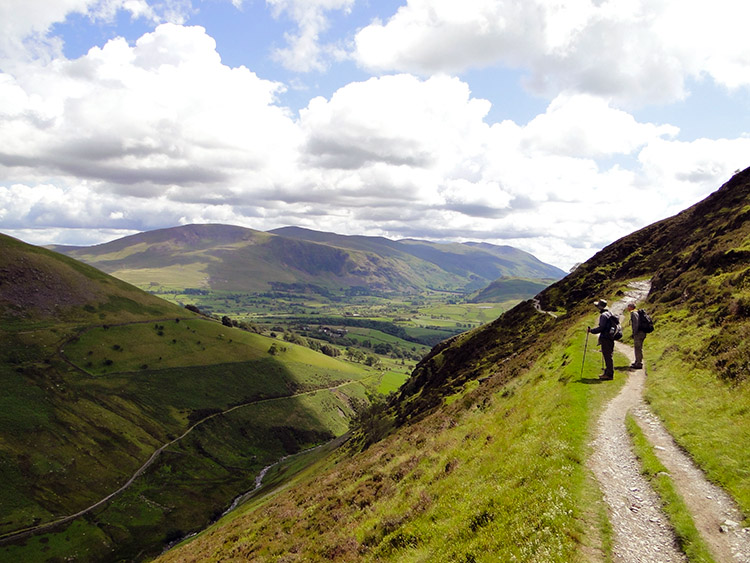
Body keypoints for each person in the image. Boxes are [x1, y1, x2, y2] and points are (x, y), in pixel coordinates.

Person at [588, 299, 616, 380]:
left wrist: (592, 331)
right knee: (608, 355)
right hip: (610, 337)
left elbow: (601, 328)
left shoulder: (603, 315)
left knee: (607, 356)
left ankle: (609, 374)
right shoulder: (610, 313)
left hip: (606, 337)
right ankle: (607, 372)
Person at [626, 303, 645, 369]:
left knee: (637, 348)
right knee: (639, 347)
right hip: (642, 332)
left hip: (638, 333)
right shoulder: (637, 312)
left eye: (628, 307)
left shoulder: (633, 313)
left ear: (631, 307)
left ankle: (639, 363)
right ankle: (638, 361)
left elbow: (635, 323)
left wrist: (634, 332)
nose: (627, 308)